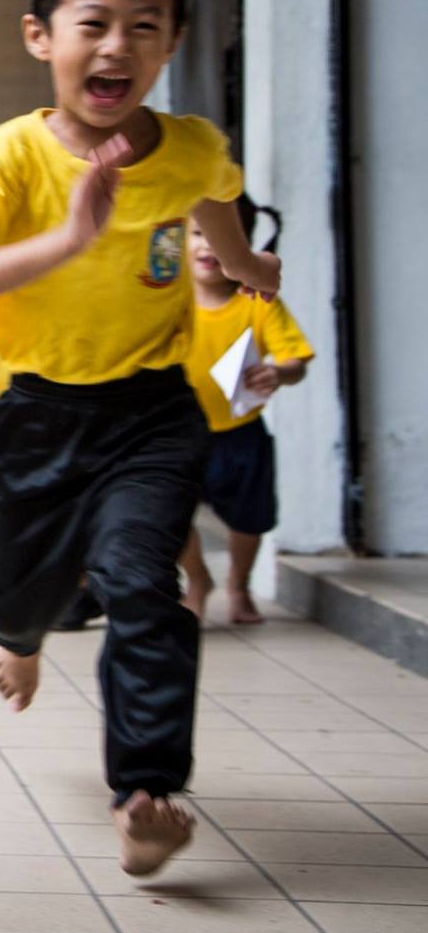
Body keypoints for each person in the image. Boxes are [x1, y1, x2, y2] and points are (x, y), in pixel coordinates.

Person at [0, 0, 280, 877]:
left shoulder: (191, 148)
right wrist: (70, 235)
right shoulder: (11, 155)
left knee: (145, 584)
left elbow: (211, 207)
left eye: (143, 25)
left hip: (149, 410)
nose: (115, 44)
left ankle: (146, 790)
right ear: (42, 35)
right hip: (34, 411)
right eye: (92, 22)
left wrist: (244, 268)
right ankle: (17, 628)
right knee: (21, 595)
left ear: (168, 41)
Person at [177, 197, 312, 623]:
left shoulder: (258, 301)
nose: (209, 246)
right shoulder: (168, 301)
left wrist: (278, 374)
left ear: (245, 247)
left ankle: (239, 583)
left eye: (223, 238)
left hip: (240, 431)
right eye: (199, 234)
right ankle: (197, 580)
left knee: (250, 517)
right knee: (172, 514)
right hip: (175, 432)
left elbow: (295, 359)